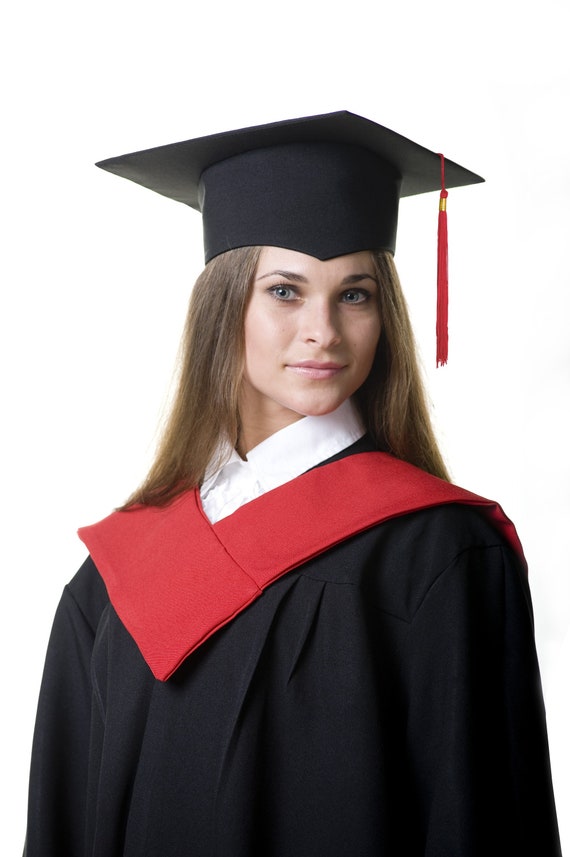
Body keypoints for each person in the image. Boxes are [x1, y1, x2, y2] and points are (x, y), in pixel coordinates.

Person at [24, 111, 561, 856]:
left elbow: (485, 823)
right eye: (285, 291)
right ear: (224, 305)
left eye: (355, 294)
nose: (324, 330)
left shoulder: (441, 554)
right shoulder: (111, 580)